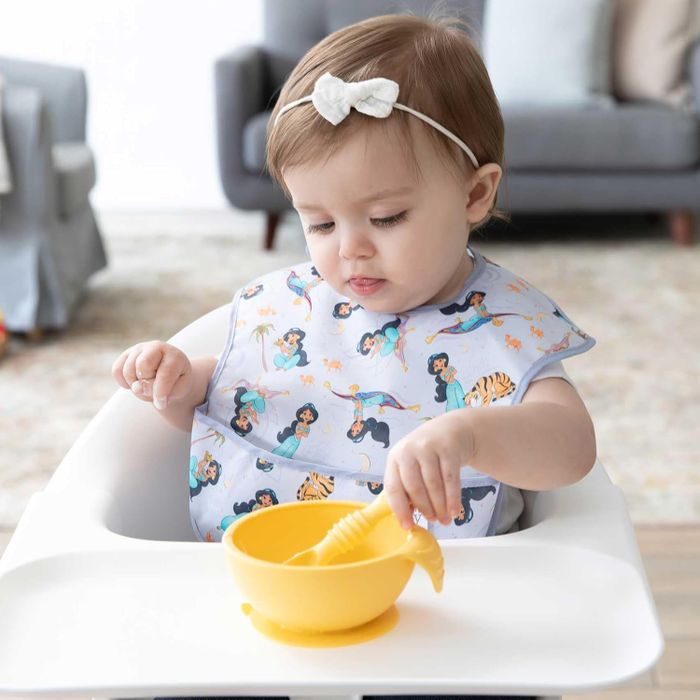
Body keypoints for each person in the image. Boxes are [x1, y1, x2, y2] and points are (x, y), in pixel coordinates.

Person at [113, 13, 596, 544]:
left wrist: (470, 436)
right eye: (319, 223)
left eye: (386, 218)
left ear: (474, 195)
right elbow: (244, 399)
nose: (350, 249)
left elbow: (572, 448)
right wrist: (183, 384)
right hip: (267, 582)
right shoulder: (293, 307)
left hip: (443, 597)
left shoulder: (505, 324)